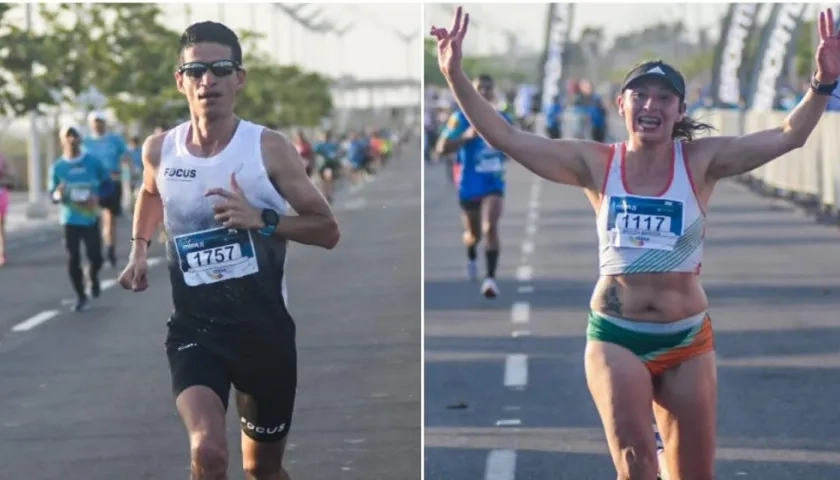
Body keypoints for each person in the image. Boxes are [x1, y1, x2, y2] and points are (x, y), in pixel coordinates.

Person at [432, 7, 840, 480]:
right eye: (640, 95)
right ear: (621, 106)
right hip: (616, 336)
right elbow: (506, 137)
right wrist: (454, 74)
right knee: (635, 464)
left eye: (665, 98)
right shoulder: (596, 163)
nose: (651, 105)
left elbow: (789, 136)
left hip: (687, 339)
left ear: (680, 111)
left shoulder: (701, 161)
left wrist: (822, 83)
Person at [117, 21, 339, 480]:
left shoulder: (268, 148)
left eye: (220, 69)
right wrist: (138, 248)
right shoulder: (160, 150)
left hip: (264, 334)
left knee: (262, 470)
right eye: (196, 71)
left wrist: (264, 219)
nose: (208, 80)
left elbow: (327, 230)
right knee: (209, 452)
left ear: (239, 77)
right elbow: (151, 191)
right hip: (196, 331)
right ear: (180, 80)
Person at [435, 73, 511, 299]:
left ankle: (490, 279)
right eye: (480, 88)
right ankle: (471, 254)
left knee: (490, 228)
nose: (484, 92)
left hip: (493, 181)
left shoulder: (501, 118)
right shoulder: (459, 118)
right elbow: (441, 148)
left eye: (488, 88)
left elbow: (515, 144)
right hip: (469, 183)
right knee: (474, 235)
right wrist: (466, 137)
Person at [49, 126, 109, 312]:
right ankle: (81, 295)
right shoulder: (58, 167)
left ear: (80, 138)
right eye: (68, 136)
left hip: (90, 218)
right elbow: (52, 196)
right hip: (70, 219)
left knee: (96, 258)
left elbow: (107, 184)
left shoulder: (93, 162)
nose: (72, 139)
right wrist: (58, 194)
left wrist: (99, 197)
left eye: (75, 135)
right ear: (62, 140)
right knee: (72, 257)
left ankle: (93, 275)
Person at [82, 111, 131, 268]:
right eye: (95, 122)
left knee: (110, 218)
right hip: (93, 185)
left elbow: (126, 158)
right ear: (91, 124)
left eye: (101, 121)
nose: (98, 125)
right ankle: (96, 250)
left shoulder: (115, 140)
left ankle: (110, 249)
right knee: (93, 219)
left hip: (112, 182)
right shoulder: (86, 142)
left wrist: (127, 176)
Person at [0, 152, 14, 267]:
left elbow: (11, 177)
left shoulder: (2, 158)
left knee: (1, 225)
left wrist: (4, 177)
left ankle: (1, 254)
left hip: (1, 194)